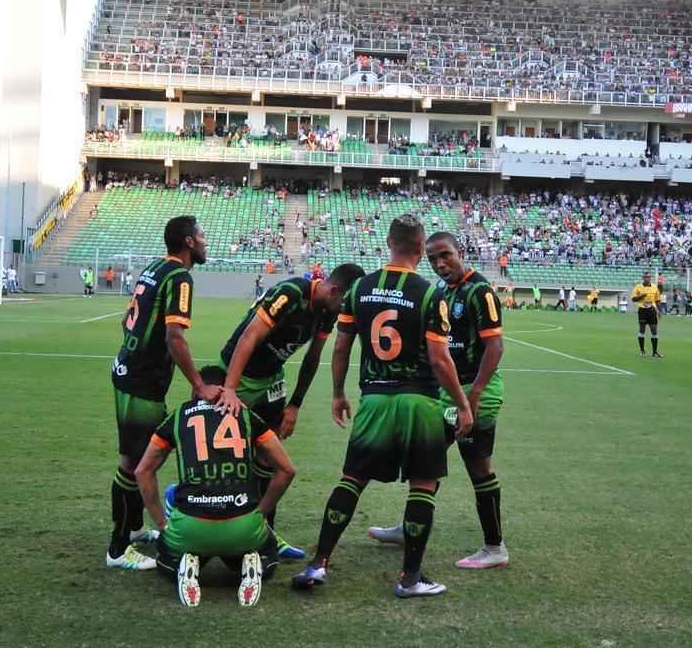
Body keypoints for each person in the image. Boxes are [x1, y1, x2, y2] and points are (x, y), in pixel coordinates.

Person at [291, 215, 473, 599]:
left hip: (374, 397)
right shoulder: (429, 293)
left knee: (353, 478)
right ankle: (410, 578)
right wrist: (462, 405)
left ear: (388, 243)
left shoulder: (360, 288)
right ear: (421, 249)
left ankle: (318, 562)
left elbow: (341, 347)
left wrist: (338, 392)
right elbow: (441, 360)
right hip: (419, 401)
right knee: (423, 484)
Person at [368, 232, 507, 569]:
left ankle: (494, 547)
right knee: (425, 459)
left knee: (478, 467)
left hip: (477, 392)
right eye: (433, 259)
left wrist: (472, 396)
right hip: (449, 392)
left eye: (446, 255)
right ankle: (409, 527)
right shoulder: (444, 292)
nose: (441, 264)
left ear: (461, 252)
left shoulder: (480, 291)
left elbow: (495, 347)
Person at [210, 262, 365, 559]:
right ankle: (210, 525)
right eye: (346, 300)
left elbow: (312, 358)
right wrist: (229, 388)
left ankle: (263, 534)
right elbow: (249, 337)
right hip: (238, 375)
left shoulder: (328, 311)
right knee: (222, 455)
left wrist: (295, 404)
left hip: (271, 379)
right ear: (334, 290)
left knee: (269, 456)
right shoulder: (290, 294)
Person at [106, 216, 231, 571]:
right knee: (136, 464)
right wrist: (198, 384)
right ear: (189, 242)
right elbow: (174, 336)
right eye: (202, 236)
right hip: (141, 382)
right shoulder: (179, 277)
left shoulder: (154, 268)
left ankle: (131, 530)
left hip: (127, 370)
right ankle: (117, 549)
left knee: (134, 459)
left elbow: (128, 320)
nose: (206, 242)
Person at [135, 394, 295, 607]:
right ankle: (251, 566)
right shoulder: (245, 414)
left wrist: (162, 524)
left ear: (195, 392)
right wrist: (262, 511)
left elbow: (142, 471)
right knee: (267, 552)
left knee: (166, 557)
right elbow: (287, 470)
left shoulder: (180, 414)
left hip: (190, 527)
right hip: (242, 524)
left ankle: (186, 565)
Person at [631, 271, 662, 358]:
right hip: (642, 311)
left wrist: (660, 311)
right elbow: (633, 299)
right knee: (642, 330)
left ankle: (655, 352)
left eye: (648, 277)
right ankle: (642, 350)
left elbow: (658, 300)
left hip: (652, 310)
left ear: (650, 278)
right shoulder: (638, 287)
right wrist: (641, 296)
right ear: (643, 278)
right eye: (645, 277)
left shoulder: (654, 287)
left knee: (654, 330)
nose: (647, 278)